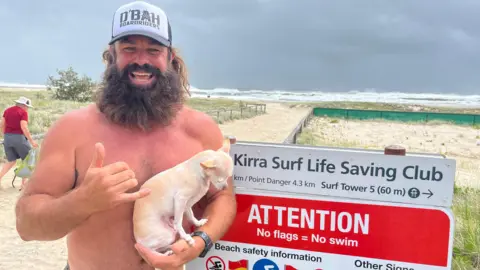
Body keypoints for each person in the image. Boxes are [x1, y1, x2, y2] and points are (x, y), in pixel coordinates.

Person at [14, 1, 237, 270]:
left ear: (169, 58)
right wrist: (82, 201)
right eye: (129, 48)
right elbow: (27, 226)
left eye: (153, 50)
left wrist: (201, 240)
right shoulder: (72, 130)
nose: (141, 60)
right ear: (111, 56)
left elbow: (221, 197)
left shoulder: (200, 130)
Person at [0, 96, 38, 190]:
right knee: (28, 159)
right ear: (24, 105)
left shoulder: (7, 110)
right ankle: (23, 184)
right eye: (27, 107)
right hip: (19, 138)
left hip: (7, 137)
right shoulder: (23, 112)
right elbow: (24, 127)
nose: (27, 109)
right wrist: (31, 141)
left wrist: (5, 136)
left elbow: (1, 125)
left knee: (11, 161)